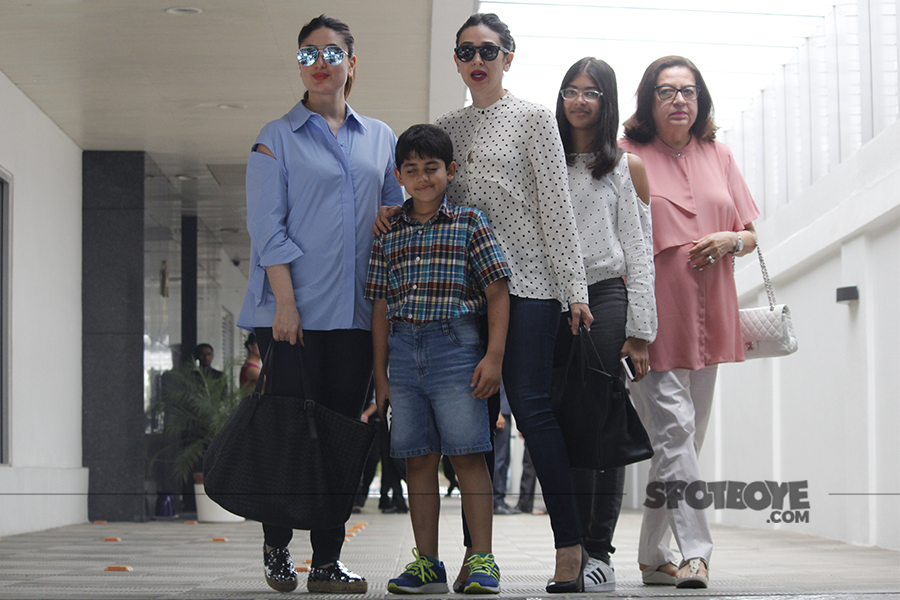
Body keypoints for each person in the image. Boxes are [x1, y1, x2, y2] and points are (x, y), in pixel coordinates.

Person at [376, 14, 593, 592]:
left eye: (489, 50)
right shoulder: (447, 126)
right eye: (466, 50)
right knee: (472, 424)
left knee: (529, 405)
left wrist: (574, 289)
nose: (479, 59)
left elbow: (556, 208)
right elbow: (427, 195)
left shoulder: (534, 120)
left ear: (508, 57)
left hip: (529, 286)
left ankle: (571, 546)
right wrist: (391, 212)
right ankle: (477, 558)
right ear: (456, 60)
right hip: (465, 296)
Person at [236, 14, 404, 594]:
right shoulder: (275, 136)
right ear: (300, 65)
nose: (320, 62)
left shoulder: (381, 137)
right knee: (289, 435)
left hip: (356, 317)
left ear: (352, 64)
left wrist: (393, 215)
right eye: (308, 54)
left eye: (331, 52)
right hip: (293, 317)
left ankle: (327, 563)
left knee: (340, 440)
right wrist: (284, 303)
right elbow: (267, 227)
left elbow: (393, 215)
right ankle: (277, 549)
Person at [619, 55, 760, 589]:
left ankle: (654, 556)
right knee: (676, 433)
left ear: (700, 101)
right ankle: (696, 553)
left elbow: (750, 233)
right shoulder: (627, 154)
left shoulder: (719, 153)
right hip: (651, 319)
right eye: (666, 91)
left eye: (689, 91)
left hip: (712, 313)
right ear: (647, 102)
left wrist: (731, 239)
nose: (679, 99)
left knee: (681, 443)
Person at [366, 123, 511, 595]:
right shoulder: (388, 232)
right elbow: (381, 306)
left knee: (468, 455)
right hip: (404, 354)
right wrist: (381, 377)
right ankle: (427, 565)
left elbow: (497, 291)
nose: (422, 178)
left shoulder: (470, 222)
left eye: (432, 169)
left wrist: (493, 357)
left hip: (457, 348)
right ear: (399, 175)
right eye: (412, 170)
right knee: (416, 460)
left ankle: (483, 560)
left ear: (451, 171)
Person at [554, 57, 657, 593]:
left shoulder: (626, 166)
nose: (579, 100)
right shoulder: (544, 159)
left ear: (607, 100)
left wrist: (641, 331)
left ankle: (599, 551)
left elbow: (640, 253)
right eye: (571, 90)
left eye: (591, 92)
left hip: (605, 295)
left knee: (600, 421)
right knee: (559, 424)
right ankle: (568, 545)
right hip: (548, 301)